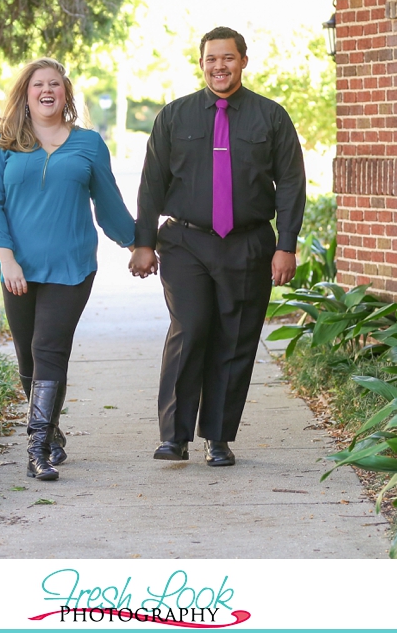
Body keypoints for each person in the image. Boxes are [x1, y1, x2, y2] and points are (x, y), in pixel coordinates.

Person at [129, 26, 305, 467]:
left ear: (243, 61)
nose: (219, 66)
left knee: (236, 338)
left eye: (227, 58)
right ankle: (174, 436)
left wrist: (285, 245)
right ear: (201, 62)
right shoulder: (174, 116)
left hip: (247, 243)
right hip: (186, 241)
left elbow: (290, 184)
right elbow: (152, 184)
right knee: (190, 327)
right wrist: (144, 243)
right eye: (211, 59)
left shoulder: (271, 117)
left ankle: (218, 437)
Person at [0, 58, 135, 481]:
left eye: (55, 84)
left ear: (65, 93)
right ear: (25, 94)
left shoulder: (88, 144)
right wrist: (6, 258)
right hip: (18, 270)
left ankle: (35, 450)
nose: (46, 90)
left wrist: (139, 242)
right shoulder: (3, 144)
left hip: (71, 267)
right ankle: (50, 433)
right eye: (38, 85)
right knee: (27, 360)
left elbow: (109, 205)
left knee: (49, 349)